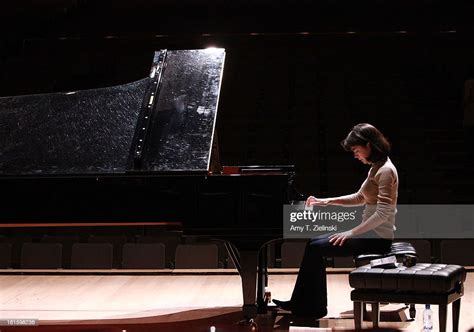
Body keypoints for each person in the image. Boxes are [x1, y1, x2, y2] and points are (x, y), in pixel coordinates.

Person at [273, 123, 399, 319]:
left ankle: (312, 307)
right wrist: (327, 202)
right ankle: (302, 303)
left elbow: (382, 213)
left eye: (357, 150)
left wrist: (351, 232)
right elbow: (360, 197)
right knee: (313, 242)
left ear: (369, 145)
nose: (355, 155)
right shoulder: (376, 168)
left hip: (377, 238)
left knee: (316, 248)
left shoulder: (385, 171)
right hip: (369, 234)